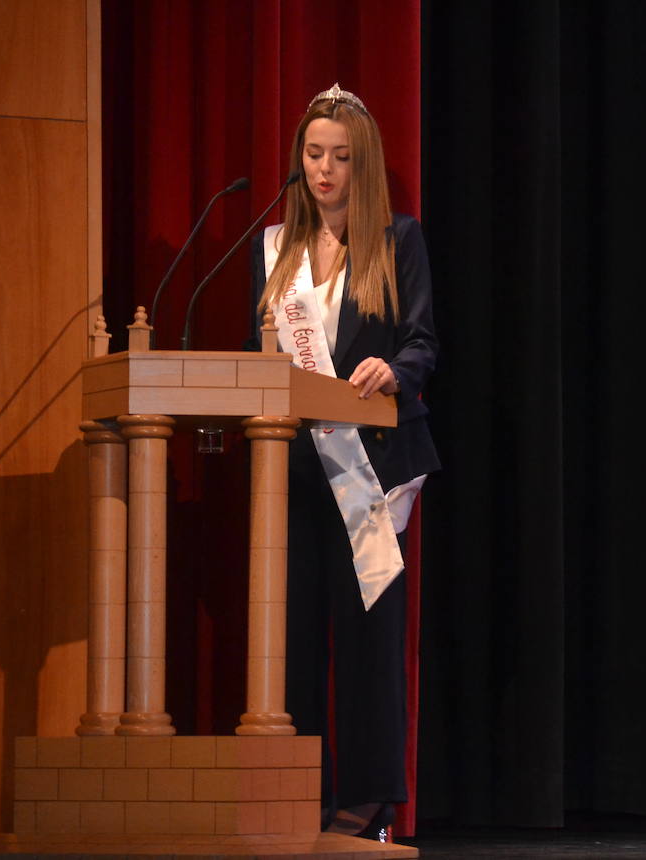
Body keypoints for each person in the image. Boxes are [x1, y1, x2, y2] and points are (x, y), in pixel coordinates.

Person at [247, 83, 439, 839]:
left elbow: (422, 343)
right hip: (289, 469)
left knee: (368, 638)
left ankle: (368, 796)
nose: (324, 170)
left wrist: (395, 369)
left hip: (371, 467)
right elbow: (253, 361)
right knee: (289, 635)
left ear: (365, 166)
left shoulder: (398, 240)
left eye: (341, 158)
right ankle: (293, 790)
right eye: (313, 154)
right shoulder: (274, 252)